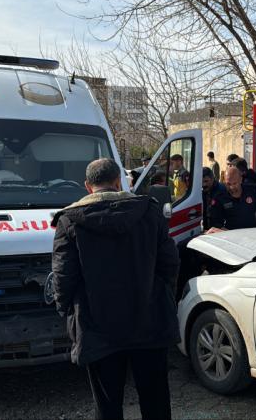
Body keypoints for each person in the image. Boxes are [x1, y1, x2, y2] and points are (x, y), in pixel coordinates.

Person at [51, 158, 179, 420]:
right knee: (156, 400)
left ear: (88, 186)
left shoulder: (70, 221)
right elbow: (170, 263)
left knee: (108, 405)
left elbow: (63, 277)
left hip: (97, 325)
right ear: (118, 181)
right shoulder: (149, 210)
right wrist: (162, 297)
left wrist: (66, 311)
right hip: (149, 320)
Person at [208, 166, 256, 233]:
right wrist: (229, 233)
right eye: (228, 184)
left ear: (241, 180)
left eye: (235, 183)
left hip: (253, 234)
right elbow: (216, 222)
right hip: (231, 236)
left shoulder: (252, 191)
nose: (232, 187)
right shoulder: (219, 197)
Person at [202, 166, 225, 231]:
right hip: (207, 229)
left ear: (212, 179)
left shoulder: (222, 190)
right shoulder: (202, 191)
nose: (203, 184)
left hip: (219, 230)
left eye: (206, 181)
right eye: (201, 181)